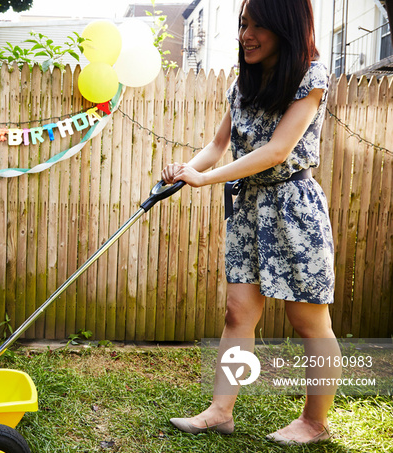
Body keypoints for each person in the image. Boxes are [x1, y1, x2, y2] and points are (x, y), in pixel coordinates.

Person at [162, 0, 341, 446]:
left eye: (259, 24)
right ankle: (221, 412)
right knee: (238, 312)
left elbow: (277, 150)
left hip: (294, 208)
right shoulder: (243, 83)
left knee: (308, 321)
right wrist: (186, 169)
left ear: (287, 27)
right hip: (248, 208)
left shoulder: (310, 78)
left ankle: (314, 423)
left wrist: (207, 178)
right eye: (244, 24)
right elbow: (219, 143)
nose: (247, 34)